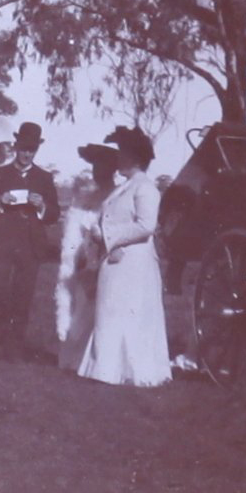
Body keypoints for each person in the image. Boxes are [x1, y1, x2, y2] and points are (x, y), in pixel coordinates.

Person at [77, 126, 172, 387]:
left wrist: (107, 234)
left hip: (134, 263)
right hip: (116, 260)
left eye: (123, 154)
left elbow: (146, 226)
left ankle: (131, 370)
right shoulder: (126, 187)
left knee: (128, 314)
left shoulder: (146, 189)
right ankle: (106, 368)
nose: (118, 158)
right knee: (110, 313)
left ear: (135, 158)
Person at [0, 121, 60, 360]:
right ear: (16, 146)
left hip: (30, 244)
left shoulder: (44, 178)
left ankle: (13, 350)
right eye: (23, 148)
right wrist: (0, 200)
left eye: (32, 149)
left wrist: (42, 205)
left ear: (37, 150)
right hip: (1, 241)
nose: (27, 153)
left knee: (23, 297)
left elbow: (54, 214)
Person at [55, 144, 118, 371]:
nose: (98, 172)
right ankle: (70, 357)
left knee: (97, 306)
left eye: (104, 167)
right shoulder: (84, 198)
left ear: (113, 170)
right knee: (77, 303)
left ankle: (94, 360)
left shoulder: (116, 197)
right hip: (82, 258)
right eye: (95, 167)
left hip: (103, 258)